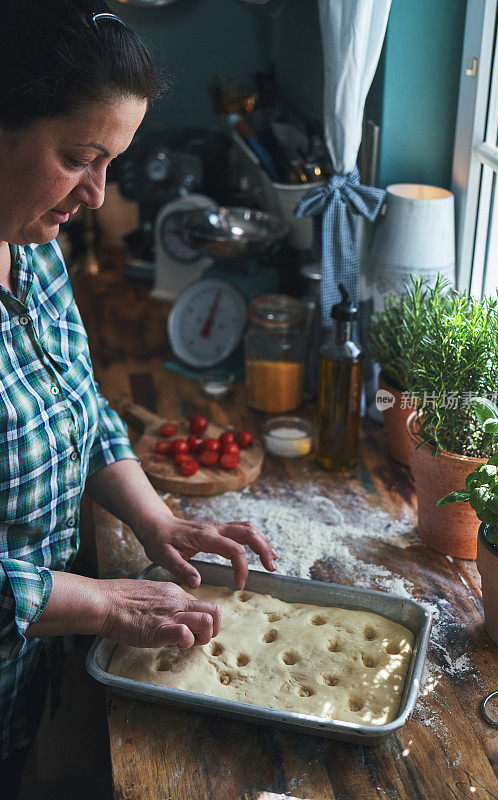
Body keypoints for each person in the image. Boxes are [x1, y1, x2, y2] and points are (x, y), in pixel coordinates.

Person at [0, 2, 279, 795]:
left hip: (17, 685)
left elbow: (77, 408)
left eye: (112, 161)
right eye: (79, 157)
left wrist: (159, 518)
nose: (96, 193)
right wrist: (105, 601)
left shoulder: (34, 248)